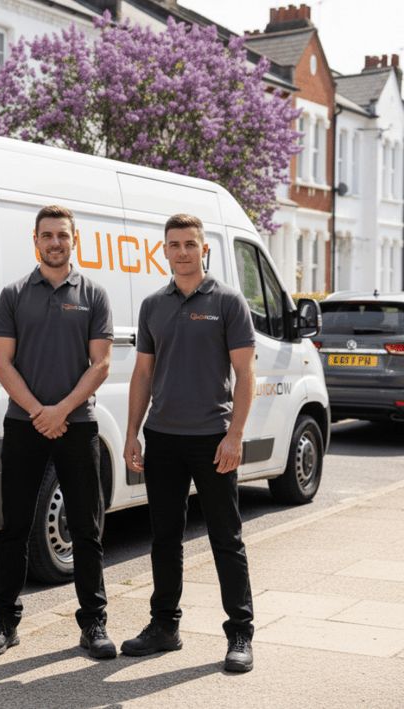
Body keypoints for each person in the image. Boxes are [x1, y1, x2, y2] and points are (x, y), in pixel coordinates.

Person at [0, 205, 116, 659]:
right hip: (24, 424)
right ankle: (4, 623)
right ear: (34, 240)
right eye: (47, 235)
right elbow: (2, 362)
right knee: (14, 526)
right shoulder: (14, 294)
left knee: (86, 529)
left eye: (62, 235)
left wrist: (62, 411)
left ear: (75, 240)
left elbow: (101, 364)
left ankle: (93, 625)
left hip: (78, 426)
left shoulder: (94, 294)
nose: (55, 242)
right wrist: (40, 411)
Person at [122, 213, 257, 672]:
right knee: (164, 538)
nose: (182, 251)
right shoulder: (152, 305)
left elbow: (245, 375)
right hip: (162, 438)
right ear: (164, 250)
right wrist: (131, 435)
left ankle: (240, 632)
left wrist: (235, 435)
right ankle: (164, 627)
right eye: (174, 244)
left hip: (212, 440)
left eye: (190, 244)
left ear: (205, 250)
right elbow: (142, 374)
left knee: (226, 537)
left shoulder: (228, 302)